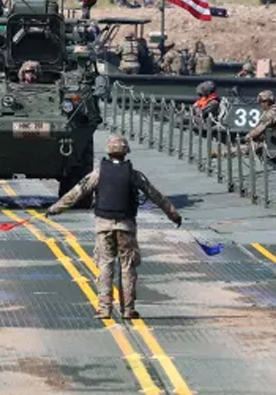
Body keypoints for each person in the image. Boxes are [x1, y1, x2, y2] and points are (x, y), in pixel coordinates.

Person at [47, 134, 182, 320]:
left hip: (103, 225)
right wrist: (173, 214)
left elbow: (77, 192)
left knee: (105, 265)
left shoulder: (98, 173)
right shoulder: (134, 174)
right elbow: (154, 195)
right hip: (126, 226)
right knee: (127, 267)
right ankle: (128, 309)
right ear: (125, 151)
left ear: (109, 151)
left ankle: (104, 308)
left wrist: (55, 209)